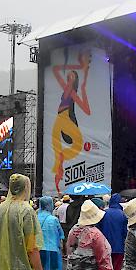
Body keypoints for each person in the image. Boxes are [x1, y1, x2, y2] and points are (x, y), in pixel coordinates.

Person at [50, 51, 92, 193]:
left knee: (75, 147)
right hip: (60, 118)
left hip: (67, 118)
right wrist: (80, 66)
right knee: (57, 153)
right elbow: (56, 69)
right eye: (69, 75)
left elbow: (86, 110)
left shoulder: (73, 92)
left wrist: (85, 86)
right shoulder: (65, 87)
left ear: (75, 80)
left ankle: (58, 182)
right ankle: (57, 185)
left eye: (72, 76)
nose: (69, 76)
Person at [34, 196, 64, 270]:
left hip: (37, 250)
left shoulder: (35, 217)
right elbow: (60, 234)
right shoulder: (53, 219)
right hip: (51, 250)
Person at [97, 193, 127, 270]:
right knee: (116, 269)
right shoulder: (122, 214)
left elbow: (99, 229)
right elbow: (125, 232)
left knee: (105, 267)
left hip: (104, 246)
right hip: (118, 246)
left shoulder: (104, 213)